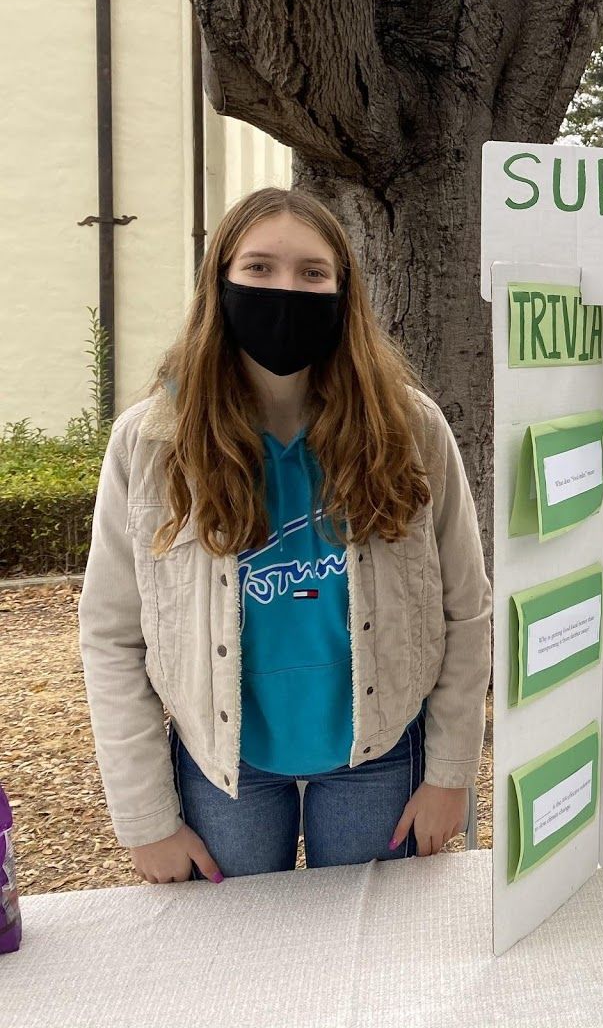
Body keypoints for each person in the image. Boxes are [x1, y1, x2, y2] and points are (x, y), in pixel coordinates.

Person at [78, 187, 492, 884]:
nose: (286, 290)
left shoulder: (409, 429)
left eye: (311, 273)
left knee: (376, 958)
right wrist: (147, 819)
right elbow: (112, 634)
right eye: (260, 268)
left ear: (343, 290)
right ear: (220, 282)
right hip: (224, 766)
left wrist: (450, 773)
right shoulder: (151, 442)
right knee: (237, 967)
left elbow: (466, 607)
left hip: (381, 758)